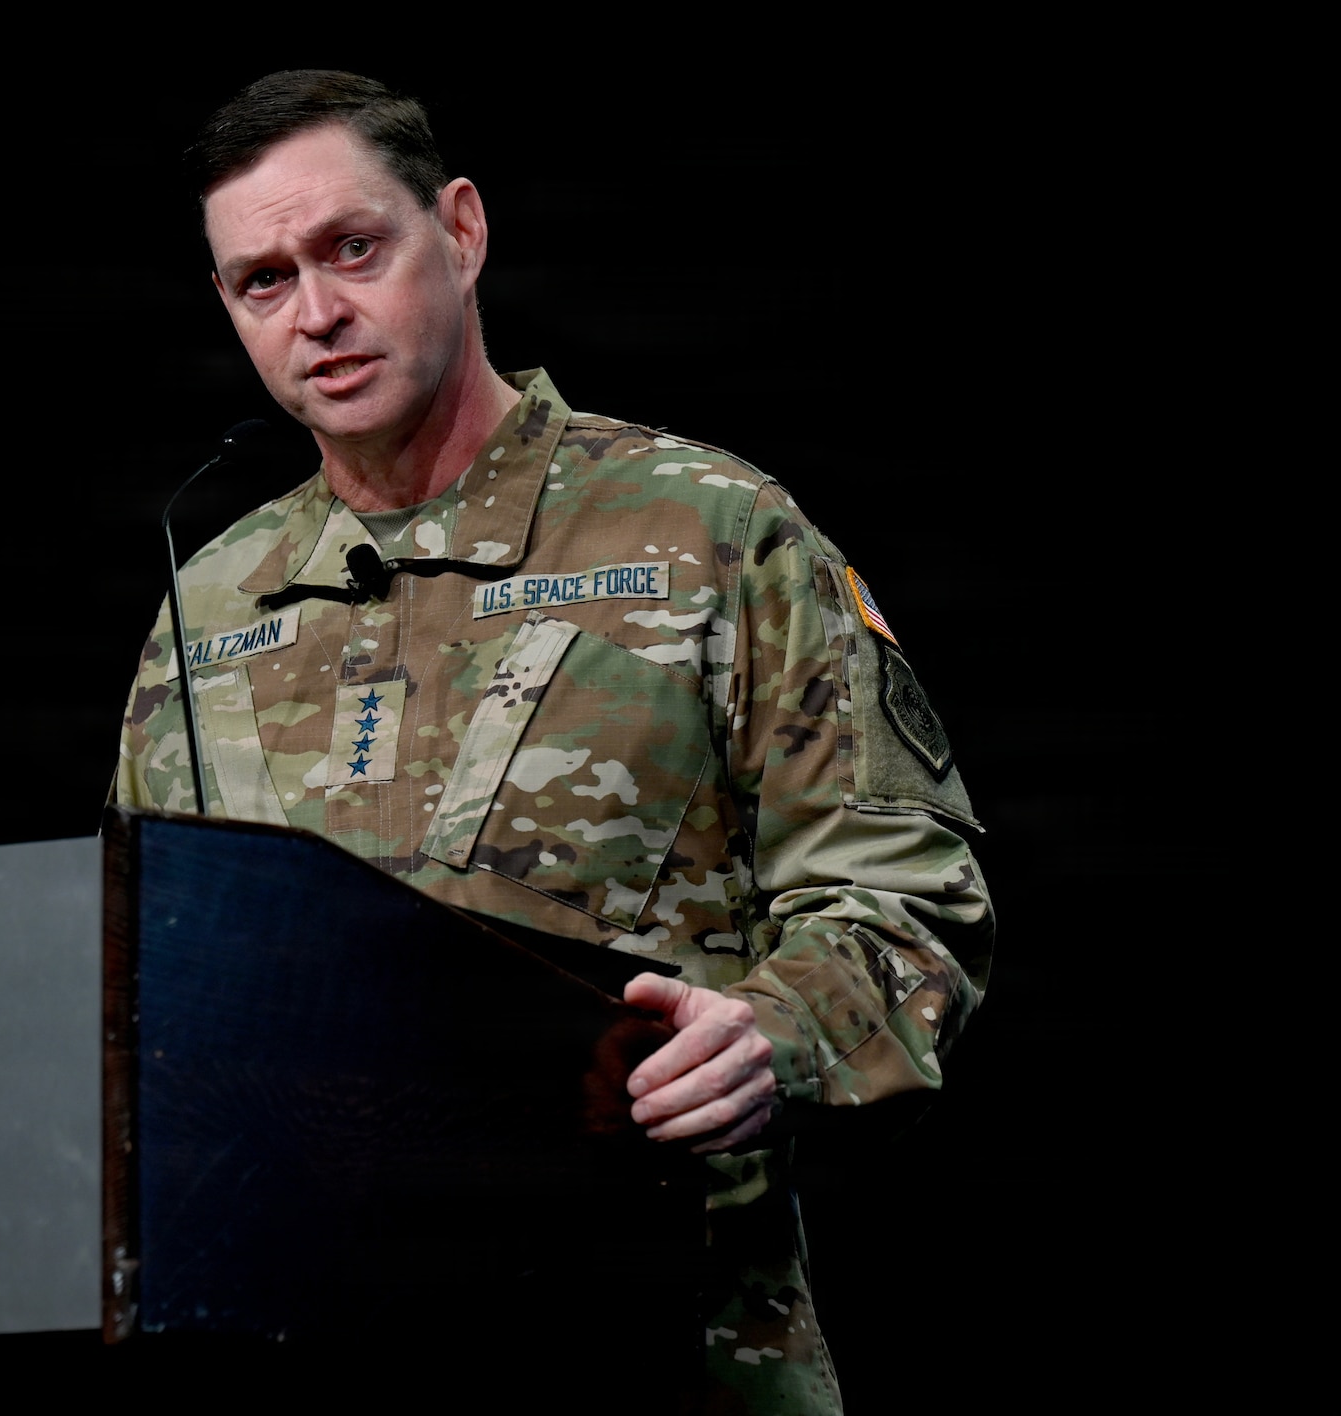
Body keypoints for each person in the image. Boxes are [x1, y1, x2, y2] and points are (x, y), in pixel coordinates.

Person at [113, 70, 992, 1413]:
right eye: (263, 283)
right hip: (282, 1354)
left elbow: (911, 899)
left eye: (355, 247)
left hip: (649, 1344)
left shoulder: (705, 529)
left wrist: (771, 1032)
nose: (320, 316)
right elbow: (132, 1003)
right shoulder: (208, 603)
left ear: (459, 234)